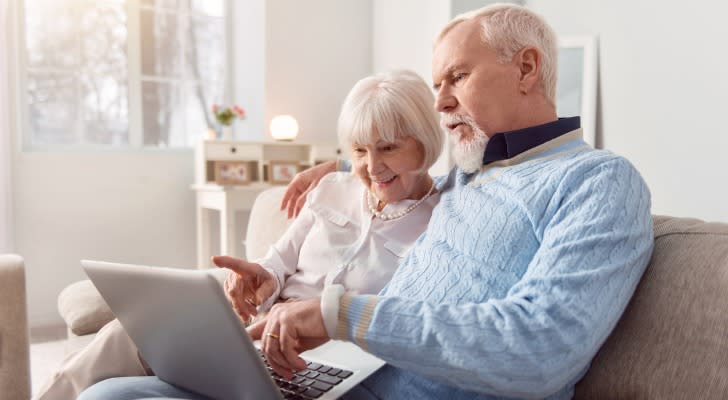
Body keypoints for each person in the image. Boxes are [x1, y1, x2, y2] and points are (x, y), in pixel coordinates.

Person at [80, 3, 655, 400]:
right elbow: (398, 167)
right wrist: (336, 164)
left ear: (526, 68)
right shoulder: (468, 177)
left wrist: (338, 314)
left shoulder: (598, 182)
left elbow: (542, 347)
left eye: (456, 77)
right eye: (436, 86)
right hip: (345, 382)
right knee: (113, 390)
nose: (442, 101)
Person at [36, 69, 444, 400]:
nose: (372, 166)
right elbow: (278, 260)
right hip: (253, 335)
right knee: (129, 332)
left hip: (319, 357)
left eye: (388, 148)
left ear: (425, 143)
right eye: (359, 151)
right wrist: (263, 278)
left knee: (112, 395)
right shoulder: (331, 189)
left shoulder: (444, 220)